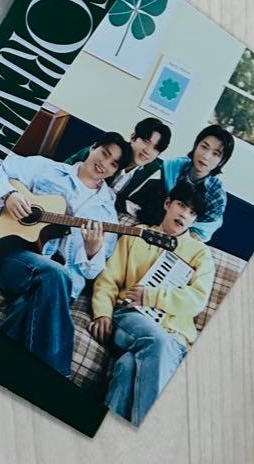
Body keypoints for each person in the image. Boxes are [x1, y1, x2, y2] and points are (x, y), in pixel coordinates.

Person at [0, 133, 131, 377]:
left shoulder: (107, 214)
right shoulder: (47, 169)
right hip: (13, 255)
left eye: (113, 163)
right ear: (93, 147)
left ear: (115, 171)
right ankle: (57, 378)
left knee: (29, 303)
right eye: (104, 153)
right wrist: (8, 195)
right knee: (55, 275)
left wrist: (92, 251)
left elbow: (90, 273)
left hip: (59, 286)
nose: (104, 164)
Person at [89, 181, 215, 425]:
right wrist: (102, 312)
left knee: (128, 367)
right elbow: (108, 280)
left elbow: (197, 300)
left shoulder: (200, 253)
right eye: (181, 205)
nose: (184, 215)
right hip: (131, 317)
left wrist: (152, 296)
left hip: (175, 338)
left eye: (191, 213)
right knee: (157, 341)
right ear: (167, 204)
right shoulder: (136, 235)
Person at [66, 117, 172, 223]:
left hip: (99, 219)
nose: (147, 151)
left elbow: (149, 212)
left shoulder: (154, 174)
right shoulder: (108, 150)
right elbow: (64, 169)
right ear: (133, 137)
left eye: (155, 148)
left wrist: (120, 204)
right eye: (145, 142)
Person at [159, 124, 234, 242]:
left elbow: (200, 233)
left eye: (215, 154)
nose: (206, 156)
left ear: (222, 161)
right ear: (195, 146)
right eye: (204, 147)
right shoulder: (171, 167)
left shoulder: (217, 197)